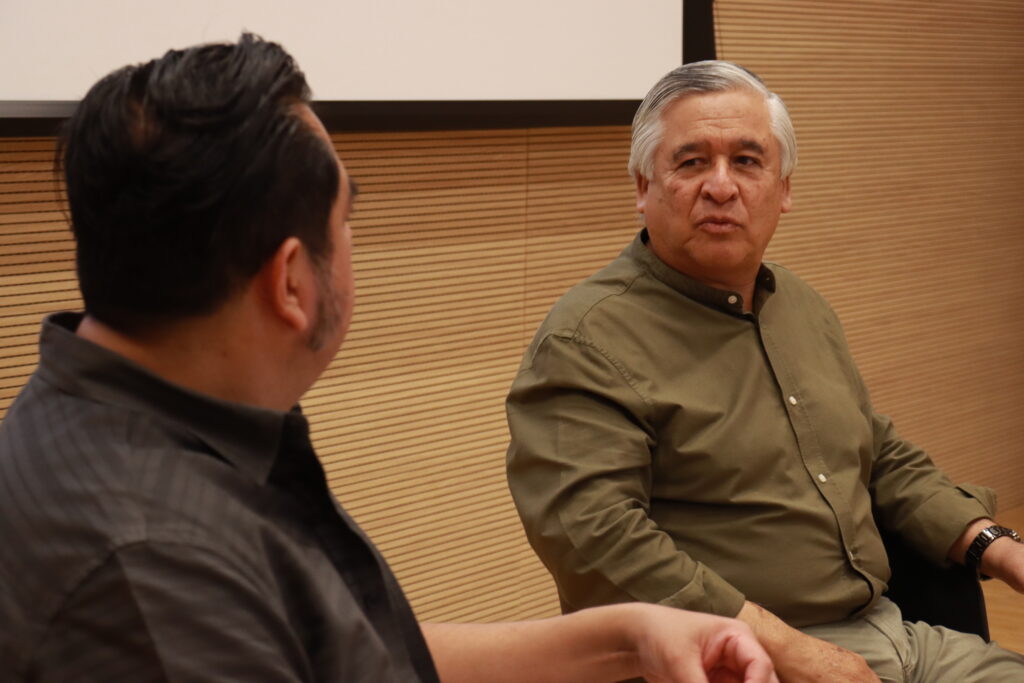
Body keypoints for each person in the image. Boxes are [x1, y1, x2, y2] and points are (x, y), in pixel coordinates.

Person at [0, 35, 777, 683]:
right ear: (292, 282)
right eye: (347, 218)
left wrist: (632, 635)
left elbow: (340, 646)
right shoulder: (154, 578)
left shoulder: (139, 414)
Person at [505, 60, 1024, 682]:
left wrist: (997, 547)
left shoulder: (801, 305)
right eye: (692, 162)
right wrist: (789, 651)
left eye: (747, 161)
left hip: (887, 632)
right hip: (729, 661)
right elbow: (595, 541)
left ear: (783, 190)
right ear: (643, 187)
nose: (721, 186)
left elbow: (877, 454)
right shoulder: (585, 338)